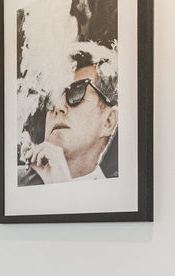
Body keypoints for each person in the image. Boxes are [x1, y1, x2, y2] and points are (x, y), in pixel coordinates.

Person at [22, 51, 118, 185]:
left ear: (108, 121)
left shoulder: (115, 193)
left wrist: (62, 188)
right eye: (52, 96)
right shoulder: (15, 182)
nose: (58, 106)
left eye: (76, 92)